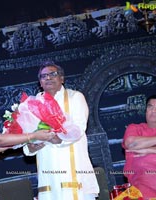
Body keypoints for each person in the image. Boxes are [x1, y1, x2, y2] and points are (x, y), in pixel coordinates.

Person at [23, 61, 100, 200]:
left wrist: (58, 139)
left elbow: (79, 128)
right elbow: (26, 136)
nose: (48, 78)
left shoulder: (75, 97)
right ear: (40, 82)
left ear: (62, 78)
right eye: (43, 76)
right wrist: (31, 146)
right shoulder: (32, 104)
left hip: (75, 170)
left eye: (53, 74)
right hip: (48, 170)